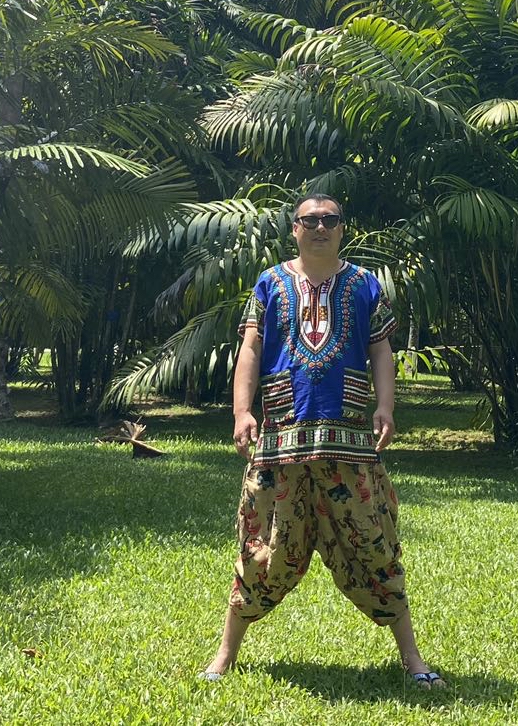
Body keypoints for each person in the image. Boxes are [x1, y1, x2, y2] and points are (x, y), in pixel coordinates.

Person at [201, 193, 445, 689]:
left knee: (375, 545)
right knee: (260, 549)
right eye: (309, 220)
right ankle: (224, 656)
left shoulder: (364, 284)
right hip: (280, 443)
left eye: (329, 220)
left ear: (341, 229)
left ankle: (414, 660)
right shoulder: (270, 283)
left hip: (349, 443)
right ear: (294, 229)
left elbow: (381, 349)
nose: (319, 227)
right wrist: (242, 410)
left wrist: (385, 406)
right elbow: (251, 348)